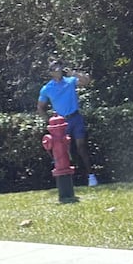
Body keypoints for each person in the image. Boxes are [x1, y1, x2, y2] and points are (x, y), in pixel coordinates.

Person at [37, 58, 98, 187]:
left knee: (81, 147)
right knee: (64, 151)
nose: (58, 70)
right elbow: (40, 107)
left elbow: (87, 81)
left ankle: (91, 176)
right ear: (50, 72)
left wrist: (74, 73)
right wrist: (50, 122)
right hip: (61, 123)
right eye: (54, 69)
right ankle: (70, 180)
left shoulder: (70, 81)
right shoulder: (47, 88)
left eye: (59, 67)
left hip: (75, 118)